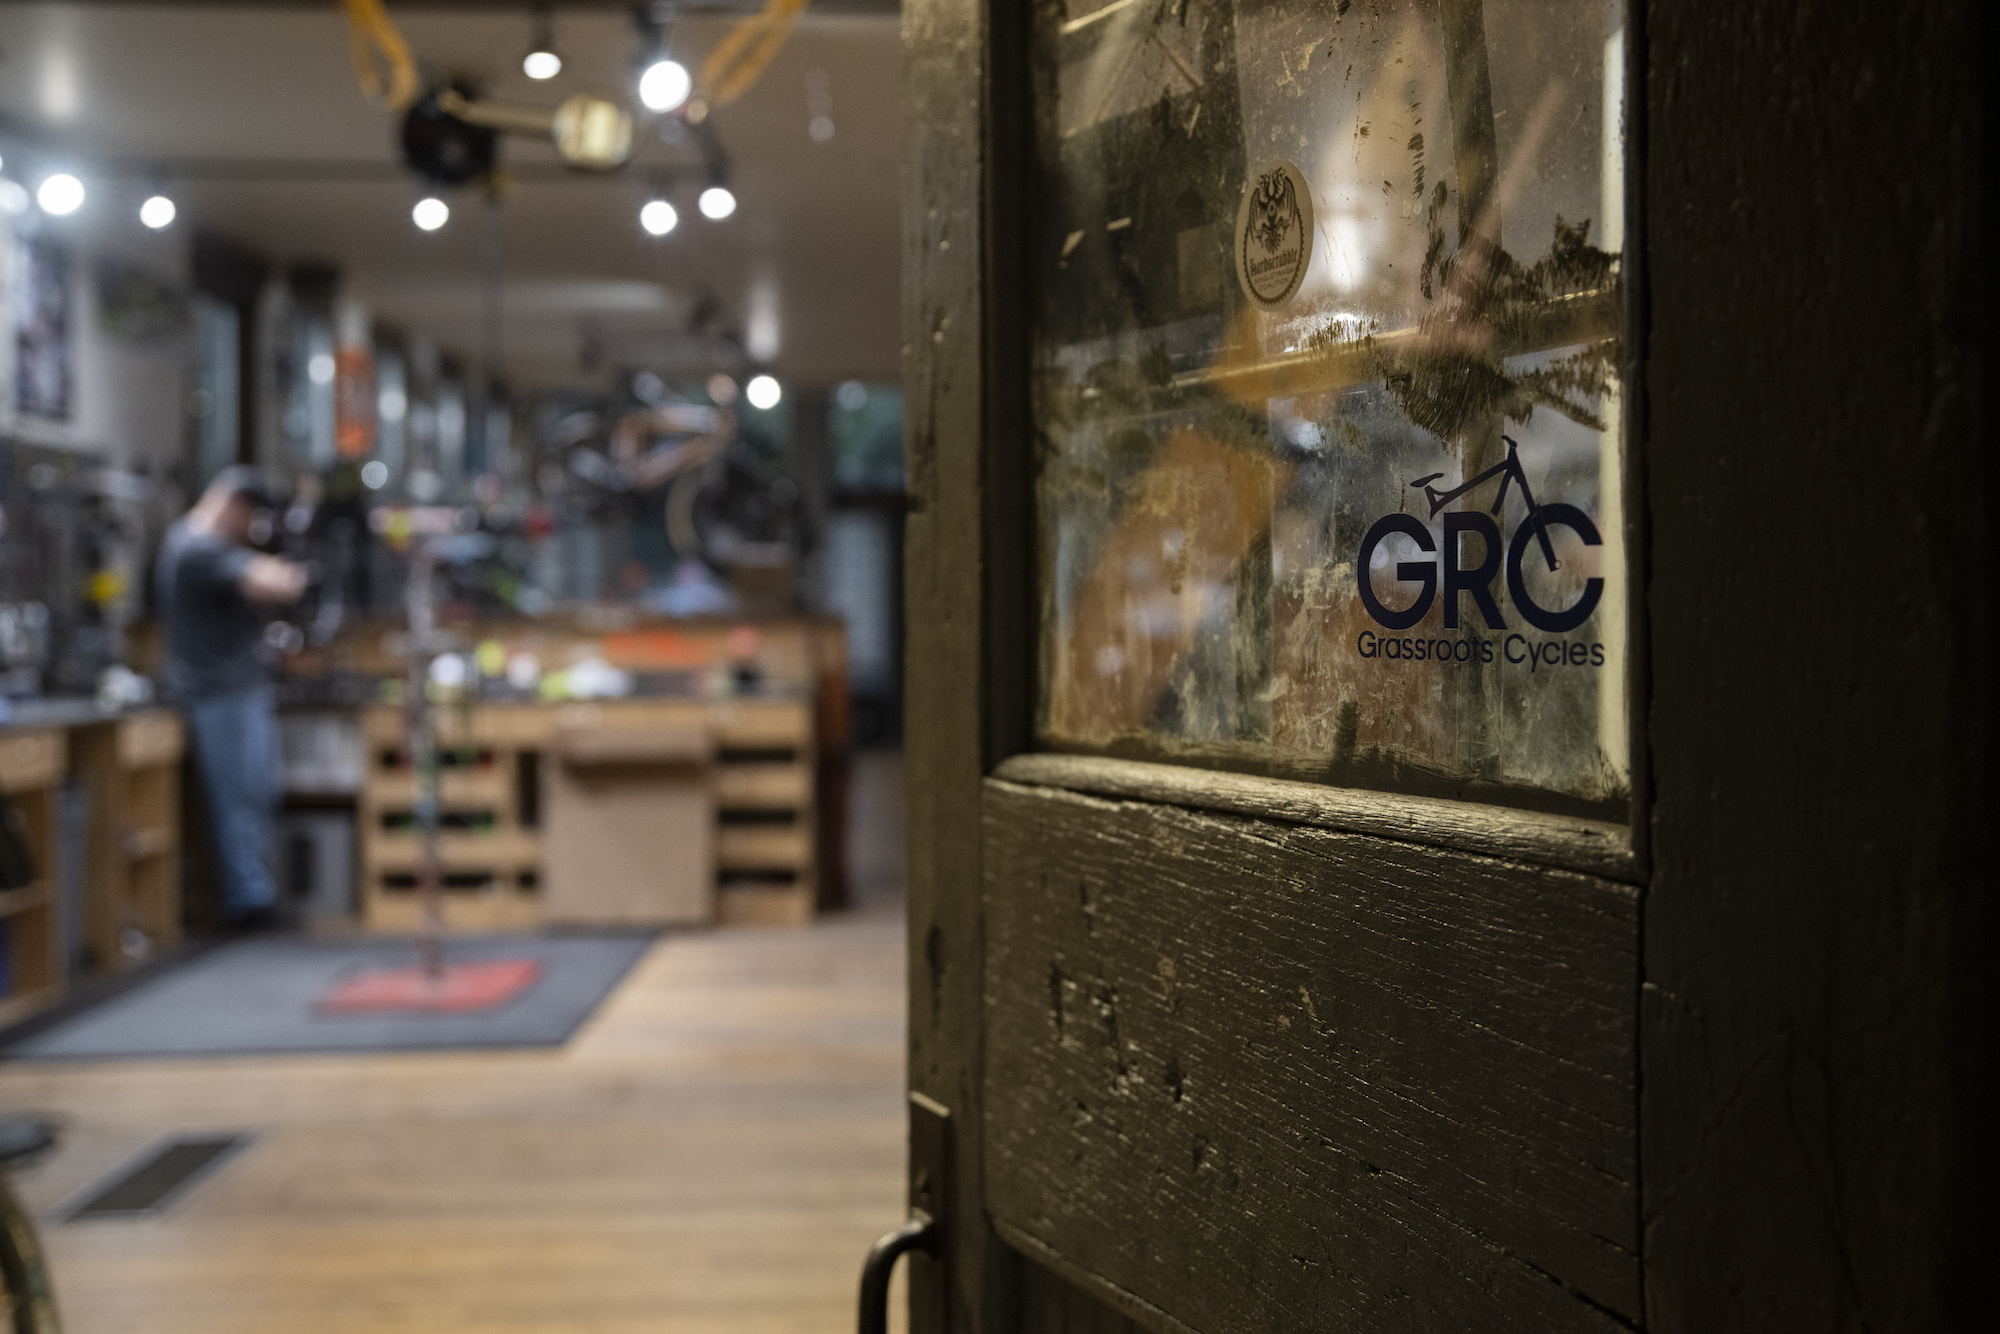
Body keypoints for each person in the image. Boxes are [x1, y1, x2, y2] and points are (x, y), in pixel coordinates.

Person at [155, 467, 307, 929]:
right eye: (252, 516)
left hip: (234, 691)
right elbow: (276, 582)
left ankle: (254, 894)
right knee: (239, 799)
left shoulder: (201, 545)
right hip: (220, 694)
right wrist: (290, 566)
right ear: (237, 506)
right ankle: (248, 903)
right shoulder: (197, 547)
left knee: (254, 794)